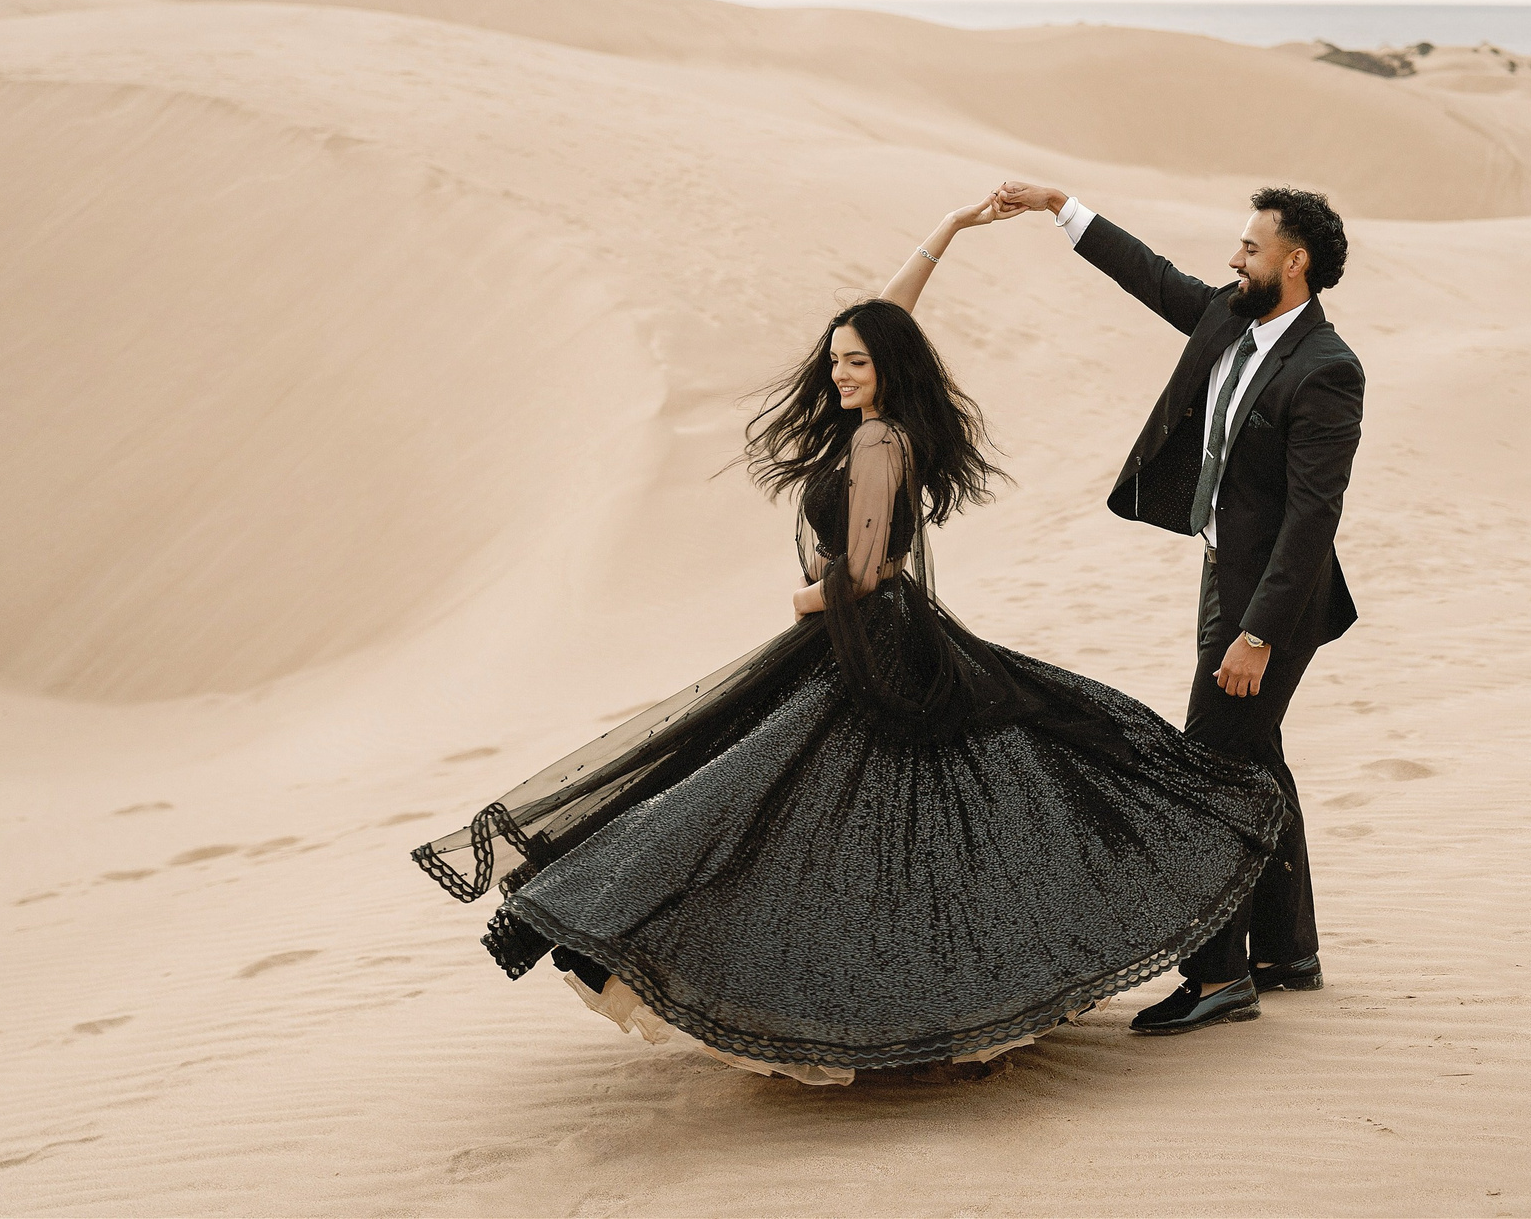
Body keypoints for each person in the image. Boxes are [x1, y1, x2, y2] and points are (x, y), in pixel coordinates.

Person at [413, 193, 1287, 1082]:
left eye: (854, 363)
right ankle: (939, 995)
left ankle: (923, 999)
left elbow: (866, 572)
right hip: (877, 642)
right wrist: (941, 237)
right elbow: (883, 328)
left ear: (886, 371)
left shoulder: (877, 445)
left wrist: (804, 601)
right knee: (853, 806)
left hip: (870, 644)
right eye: (835, 360)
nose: (837, 373)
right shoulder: (879, 414)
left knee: (792, 803)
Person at [996, 181, 1363, 1037]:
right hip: (1225, 579)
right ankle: (1287, 950)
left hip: (1277, 603)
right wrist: (1062, 207)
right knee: (1254, 755)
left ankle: (1218, 977)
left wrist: (1256, 636)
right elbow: (1148, 275)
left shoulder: (1328, 370)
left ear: (1294, 263)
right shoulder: (1230, 317)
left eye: (1250, 248)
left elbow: (1314, 520)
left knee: (1205, 771)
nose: (1233, 259)